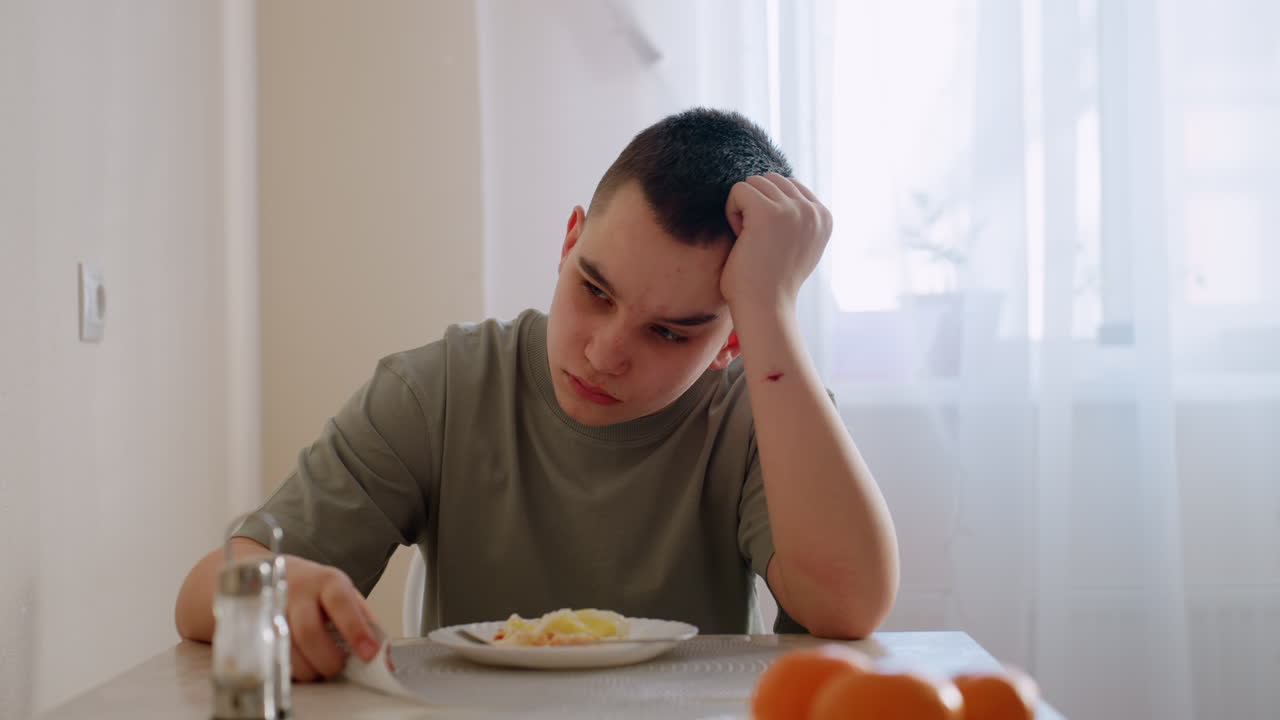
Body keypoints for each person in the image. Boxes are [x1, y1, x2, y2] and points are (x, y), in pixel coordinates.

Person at [175, 108, 899, 682]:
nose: (604, 352)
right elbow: (204, 593)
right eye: (593, 289)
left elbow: (849, 606)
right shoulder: (443, 389)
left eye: (672, 334)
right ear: (569, 240)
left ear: (733, 340)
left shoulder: (761, 415)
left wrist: (770, 308)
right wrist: (280, 588)